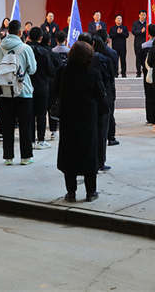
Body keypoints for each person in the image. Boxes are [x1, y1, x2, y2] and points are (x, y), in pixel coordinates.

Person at [54, 41, 106, 202]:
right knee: (89, 154)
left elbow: (55, 93)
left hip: (68, 120)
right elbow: (101, 98)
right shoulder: (94, 74)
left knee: (69, 154)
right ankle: (91, 192)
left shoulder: (62, 72)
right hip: (88, 120)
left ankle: (71, 192)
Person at [0, 19, 38, 166]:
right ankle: (26, 156)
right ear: (20, 32)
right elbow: (32, 70)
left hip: (4, 91)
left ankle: (8, 157)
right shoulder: (26, 49)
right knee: (25, 124)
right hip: (23, 91)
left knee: (7, 125)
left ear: (8, 32)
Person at [26, 27, 56, 150]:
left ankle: (31, 140)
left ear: (28, 36)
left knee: (30, 115)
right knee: (41, 114)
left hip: (28, 86)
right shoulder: (44, 52)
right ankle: (41, 140)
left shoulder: (24, 50)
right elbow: (50, 71)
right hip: (42, 86)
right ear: (40, 38)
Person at [141, 24, 155, 134]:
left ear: (148, 33)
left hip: (148, 74)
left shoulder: (144, 46)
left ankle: (151, 119)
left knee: (149, 97)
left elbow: (142, 61)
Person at [131, 10, 148, 77]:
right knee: (138, 58)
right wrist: (141, 31)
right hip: (138, 44)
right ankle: (138, 72)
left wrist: (145, 31)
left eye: (144, 15)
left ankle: (145, 71)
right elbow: (133, 31)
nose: (143, 16)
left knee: (145, 58)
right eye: (142, 15)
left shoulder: (147, 23)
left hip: (146, 44)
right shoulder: (135, 23)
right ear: (139, 15)